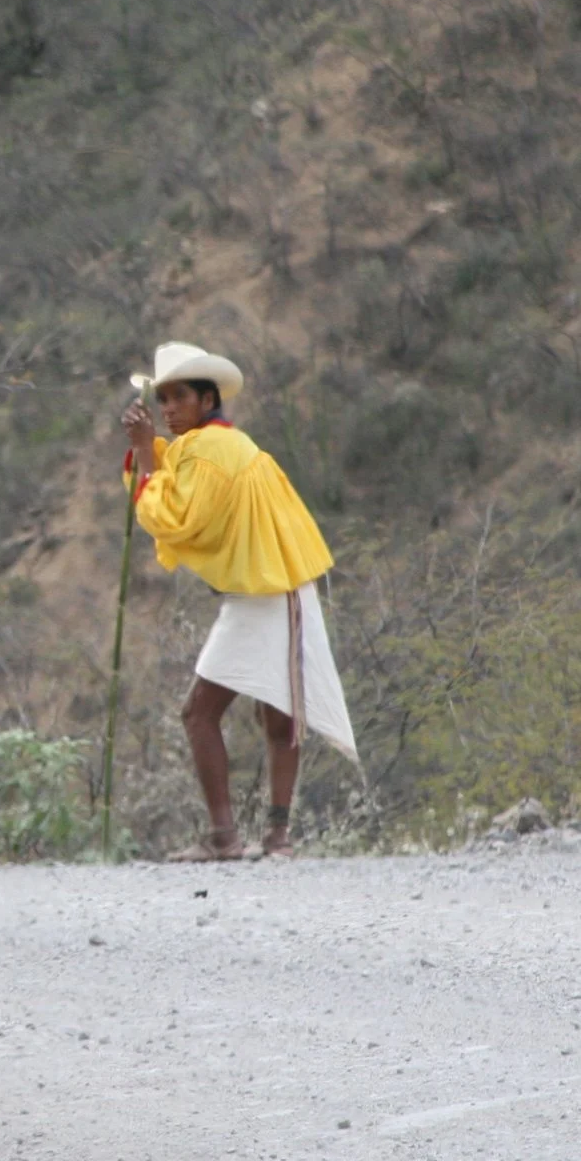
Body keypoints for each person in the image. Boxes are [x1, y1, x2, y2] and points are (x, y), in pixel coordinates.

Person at [120, 342, 357, 860]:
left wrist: (142, 454)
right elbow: (178, 478)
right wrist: (150, 450)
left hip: (269, 590)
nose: (168, 409)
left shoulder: (209, 450)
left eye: (178, 397)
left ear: (208, 400)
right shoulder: (219, 447)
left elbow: (173, 516)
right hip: (273, 586)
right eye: (162, 399)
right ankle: (274, 839)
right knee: (276, 715)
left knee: (206, 714)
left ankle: (230, 839)